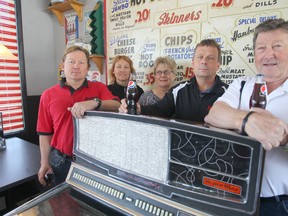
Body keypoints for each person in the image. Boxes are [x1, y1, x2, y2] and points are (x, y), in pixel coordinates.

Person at [204, 18, 288, 216]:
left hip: (281, 204)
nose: (269, 54)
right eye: (261, 48)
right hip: (234, 195)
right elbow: (213, 115)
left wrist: (284, 139)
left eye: (277, 46)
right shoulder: (242, 84)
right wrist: (247, 121)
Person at [37, 45, 120, 186]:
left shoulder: (99, 88)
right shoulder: (48, 95)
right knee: (62, 205)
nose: (76, 66)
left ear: (87, 67)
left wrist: (95, 103)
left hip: (94, 161)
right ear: (63, 66)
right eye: (71, 62)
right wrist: (44, 162)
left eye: (81, 62)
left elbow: (117, 105)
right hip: (60, 161)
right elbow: (45, 133)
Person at [119, 39, 228, 122]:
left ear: (218, 65)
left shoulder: (229, 93)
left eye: (210, 58)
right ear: (193, 62)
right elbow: (160, 110)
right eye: (200, 57)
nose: (204, 61)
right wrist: (138, 109)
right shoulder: (178, 90)